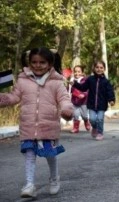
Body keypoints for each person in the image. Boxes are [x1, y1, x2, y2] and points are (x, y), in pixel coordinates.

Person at [0, 47, 73, 198]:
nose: (37, 65)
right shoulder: (23, 80)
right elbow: (14, 97)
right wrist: (3, 98)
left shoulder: (56, 82)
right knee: (29, 154)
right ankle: (29, 185)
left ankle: (54, 178)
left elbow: (64, 99)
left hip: (48, 126)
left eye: (42, 62)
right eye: (34, 62)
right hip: (28, 125)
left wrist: (67, 109)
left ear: (50, 63)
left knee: (50, 155)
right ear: (29, 62)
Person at [71, 60, 115, 141]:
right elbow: (83, 87)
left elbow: (110, 91)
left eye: (101, 67)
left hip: (102, 105)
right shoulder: (90, 79)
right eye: (97, 67)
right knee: (92, 119)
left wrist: (111, 100)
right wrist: (75, 84)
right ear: (94, 68)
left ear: (104, 69)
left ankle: (100, 133)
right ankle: (94, 127)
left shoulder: (106, 81)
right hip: (91, 104)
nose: (99, 69)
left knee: (100, 119)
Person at [70, 65, 91, 133]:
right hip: (74, 102)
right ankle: (76, 128)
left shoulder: (84, 80)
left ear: (82, 73)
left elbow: (87, 90)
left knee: (84, 115)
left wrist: (84, 94)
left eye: (79, 72)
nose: (77, 73)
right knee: (75, 115)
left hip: (83, 102)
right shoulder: (72, 80)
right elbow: (70, 90)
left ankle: (86, 121)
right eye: (75, 72)